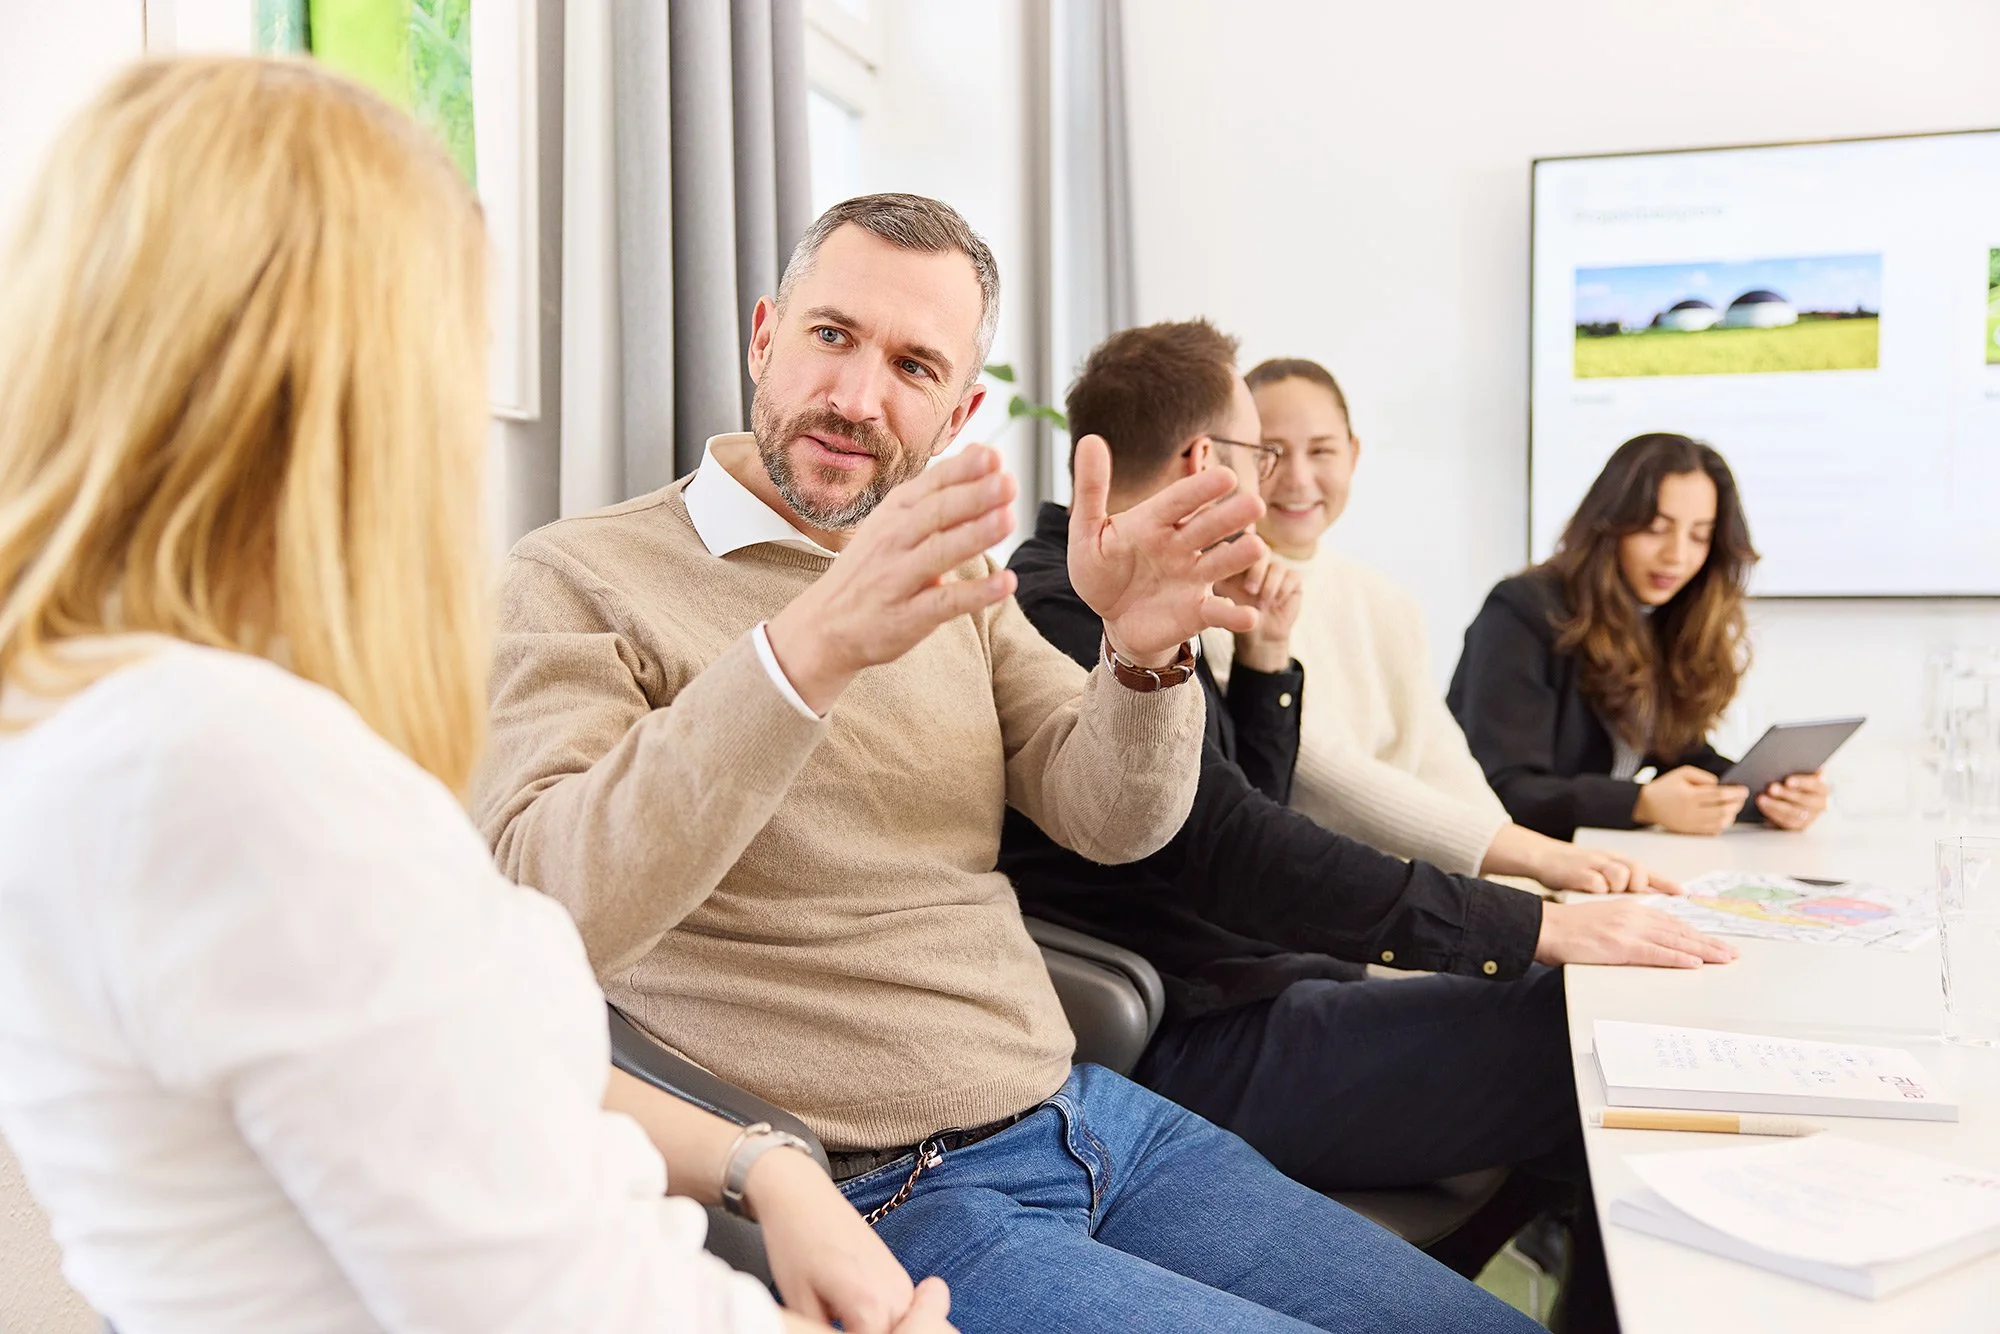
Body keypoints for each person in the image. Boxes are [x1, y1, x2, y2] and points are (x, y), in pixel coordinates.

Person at [473, 193, 1541, 1333]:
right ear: (764, 336)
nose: (856, 397)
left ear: (960, 410)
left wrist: (1141, 655)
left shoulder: (957, 586)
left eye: (913, 366)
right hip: (881, 1193)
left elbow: (1112, 818)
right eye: (831, 335)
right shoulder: (580, 577)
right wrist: (802, 655)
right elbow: (544, 901)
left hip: (1087, 1116)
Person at [0, 58, 951, 1334]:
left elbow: (438, 1054)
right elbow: (544, 1298)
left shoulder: (139, 712)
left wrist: (759, 1163)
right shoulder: (230, 772)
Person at [999, 320, 1735, 1326]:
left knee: (1586, 1013)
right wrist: (1533, 923)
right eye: (1263, 451)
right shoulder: (1059, 609)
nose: (1276, 479)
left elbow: (1237, 807)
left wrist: (1266, 659)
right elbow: (1232, 850)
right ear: (1205, 459)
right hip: (1196, 1038)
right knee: (1591, 1040)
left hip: (1265, 987)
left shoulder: (1141, 595)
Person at [1228, 356, 1676, 889]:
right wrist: (1528, 860)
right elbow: (1316, 770)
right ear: (1233, 460)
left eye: (1321, 450)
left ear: (1353, 454)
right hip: (1331, 894)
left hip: (1416, 886)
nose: (1298, 478)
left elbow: (1442, 760)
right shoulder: (1219, 600)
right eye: (1270, 453)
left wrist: (1532, 883)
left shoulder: (1384, 599)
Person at [1449, 432, 1831, 841]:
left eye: (1699, 536)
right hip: (1497, 859)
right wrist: (1641, 802)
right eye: (1655, 529)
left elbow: (1679, 752)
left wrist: (1769, 798)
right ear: (1608, 525)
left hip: (1579, 858)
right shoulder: (1521, 610)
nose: (1677, 556)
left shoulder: (1659, 616)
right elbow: (1505, 788)